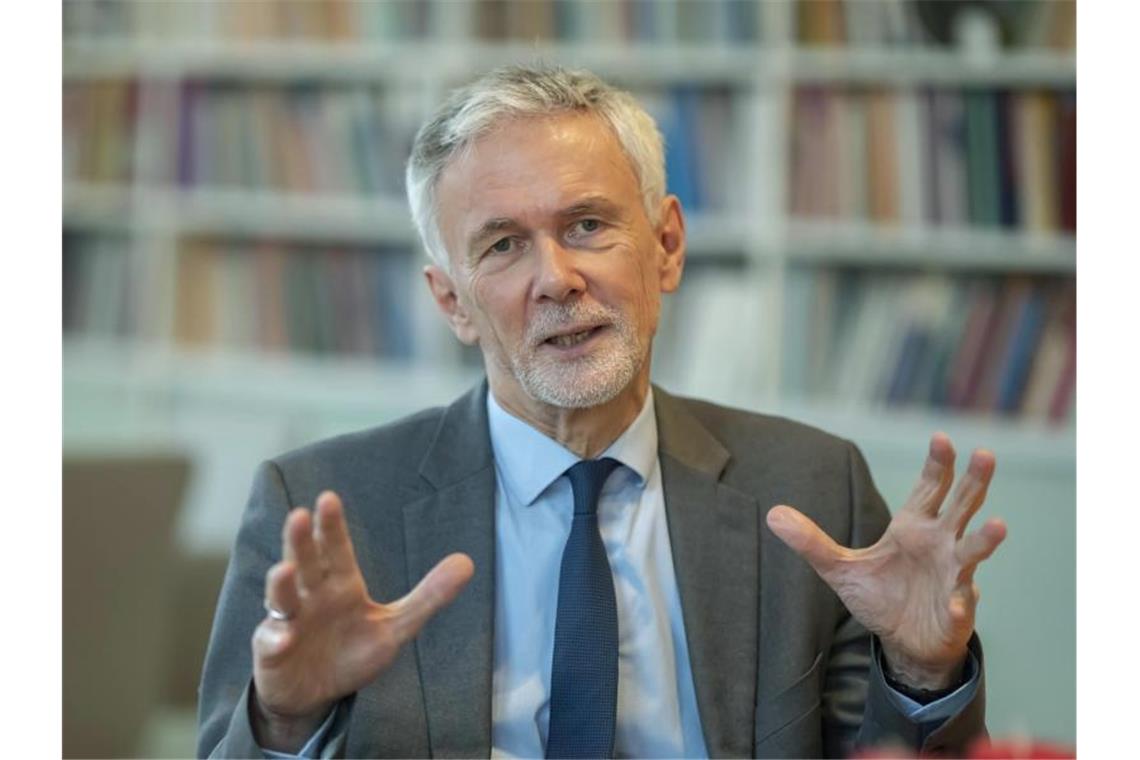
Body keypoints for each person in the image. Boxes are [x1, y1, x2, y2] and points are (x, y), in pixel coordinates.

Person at [197, 65, 1006, 759]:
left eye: (586, 226)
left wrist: (923, 673)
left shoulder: (809, 484)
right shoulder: (324, 508)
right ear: (454, 301)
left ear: (667, 247)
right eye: (504, 245)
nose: (556, 279)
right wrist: (284, 722)